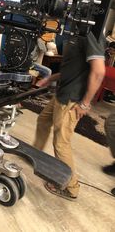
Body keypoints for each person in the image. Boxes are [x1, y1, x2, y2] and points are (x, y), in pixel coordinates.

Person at [34, 31, 106, 201]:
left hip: (71, 100)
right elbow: (73, 67)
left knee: (61, 143)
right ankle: (36, 157)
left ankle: (71, 187)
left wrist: (85, 103)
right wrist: (51, 77)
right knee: (43, 121)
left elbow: (98, 71)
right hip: (61, 94)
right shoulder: (75, 31)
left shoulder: (92, 33)